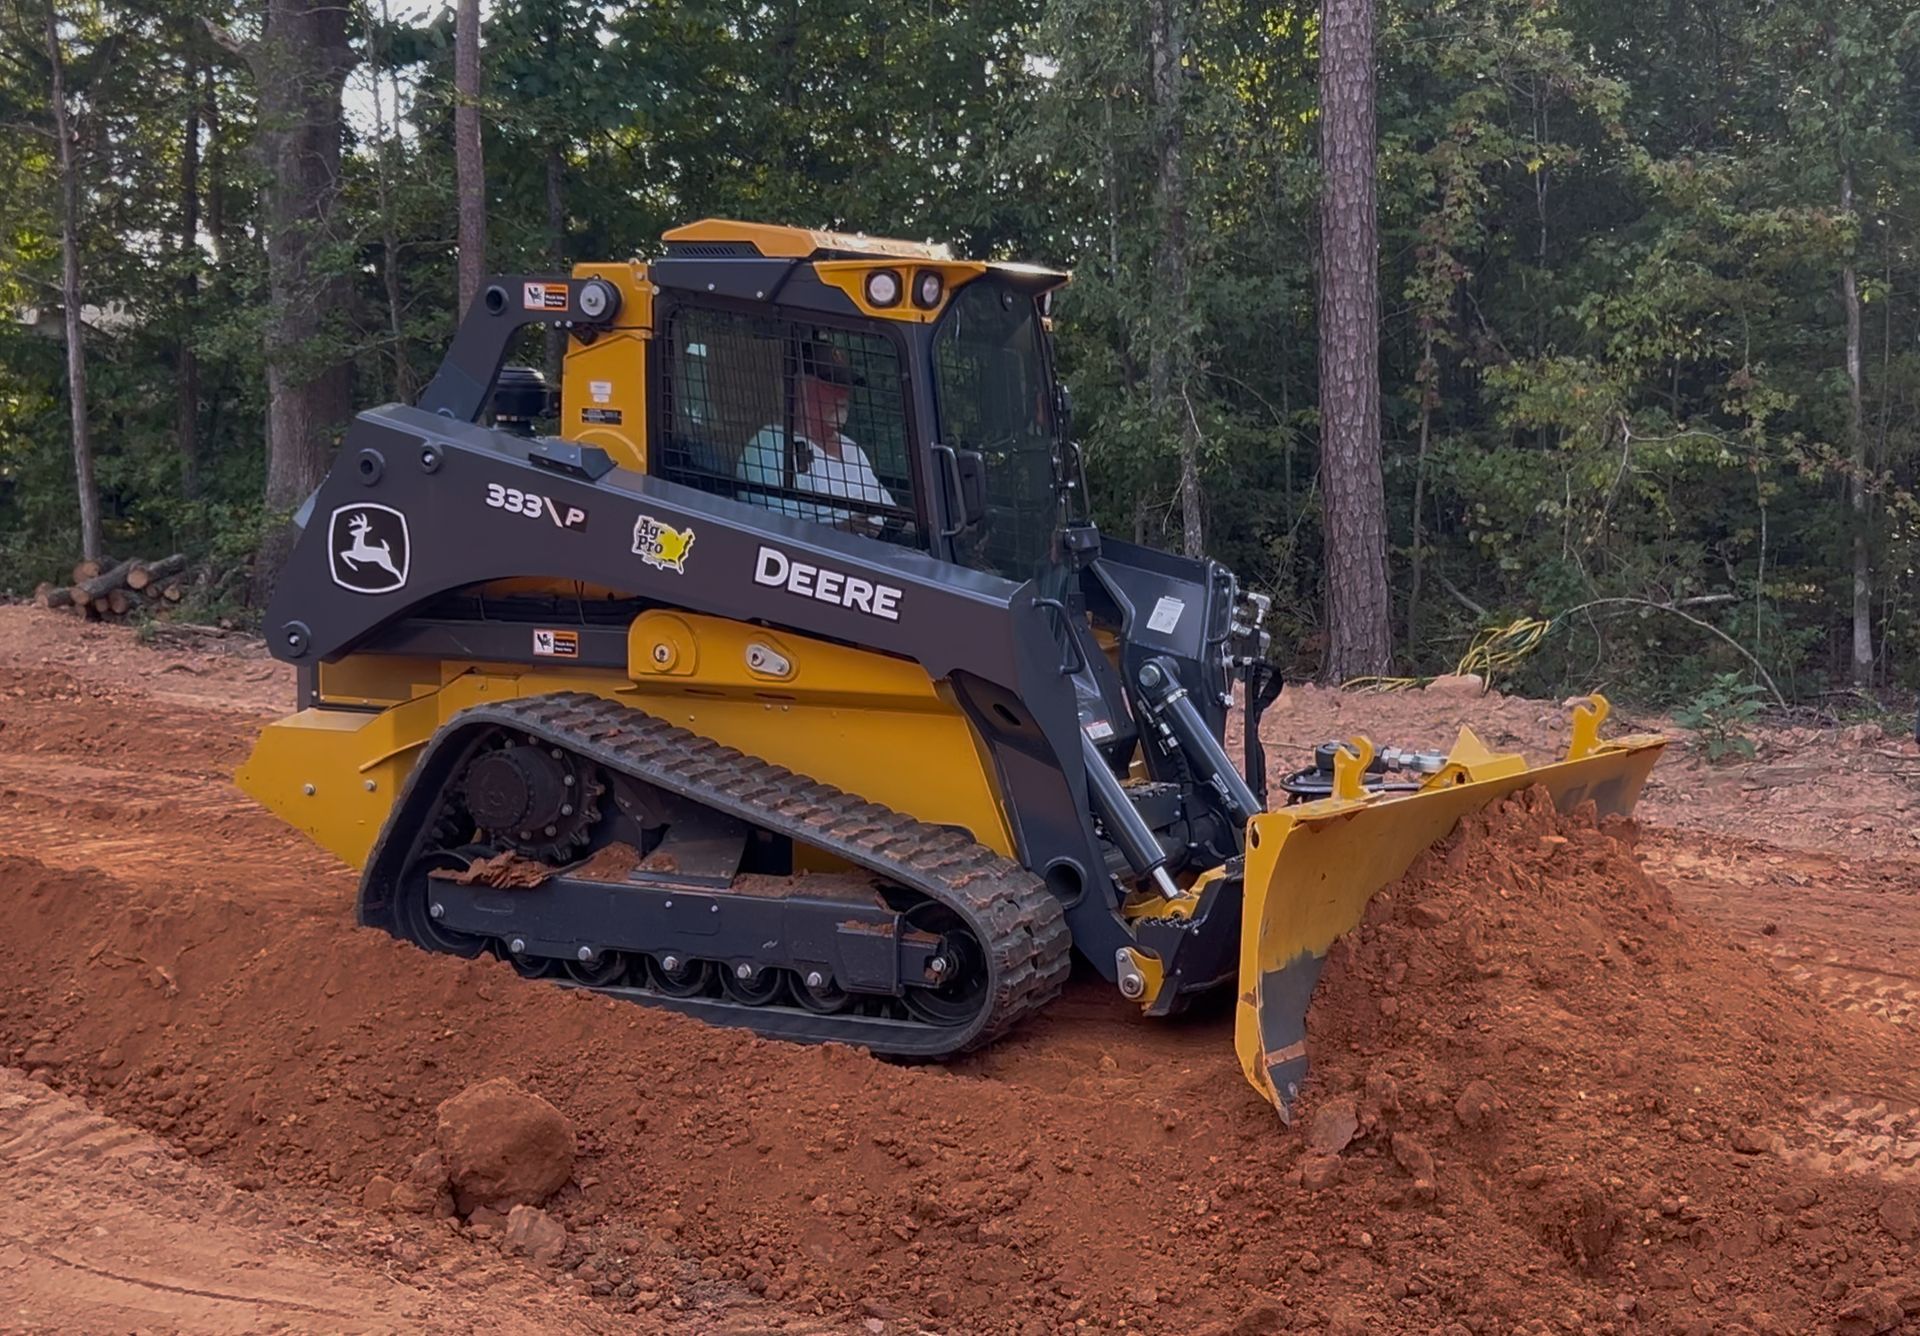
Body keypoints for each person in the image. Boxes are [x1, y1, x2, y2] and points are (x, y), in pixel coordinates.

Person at [737, 337, 896, 531]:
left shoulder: (852, 449)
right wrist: (842, 529)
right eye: (830, 385)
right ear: (797, 389)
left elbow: (889, 514)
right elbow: (775, 533)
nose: (842, 395)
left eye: (845, 385)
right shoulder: (769, 447)